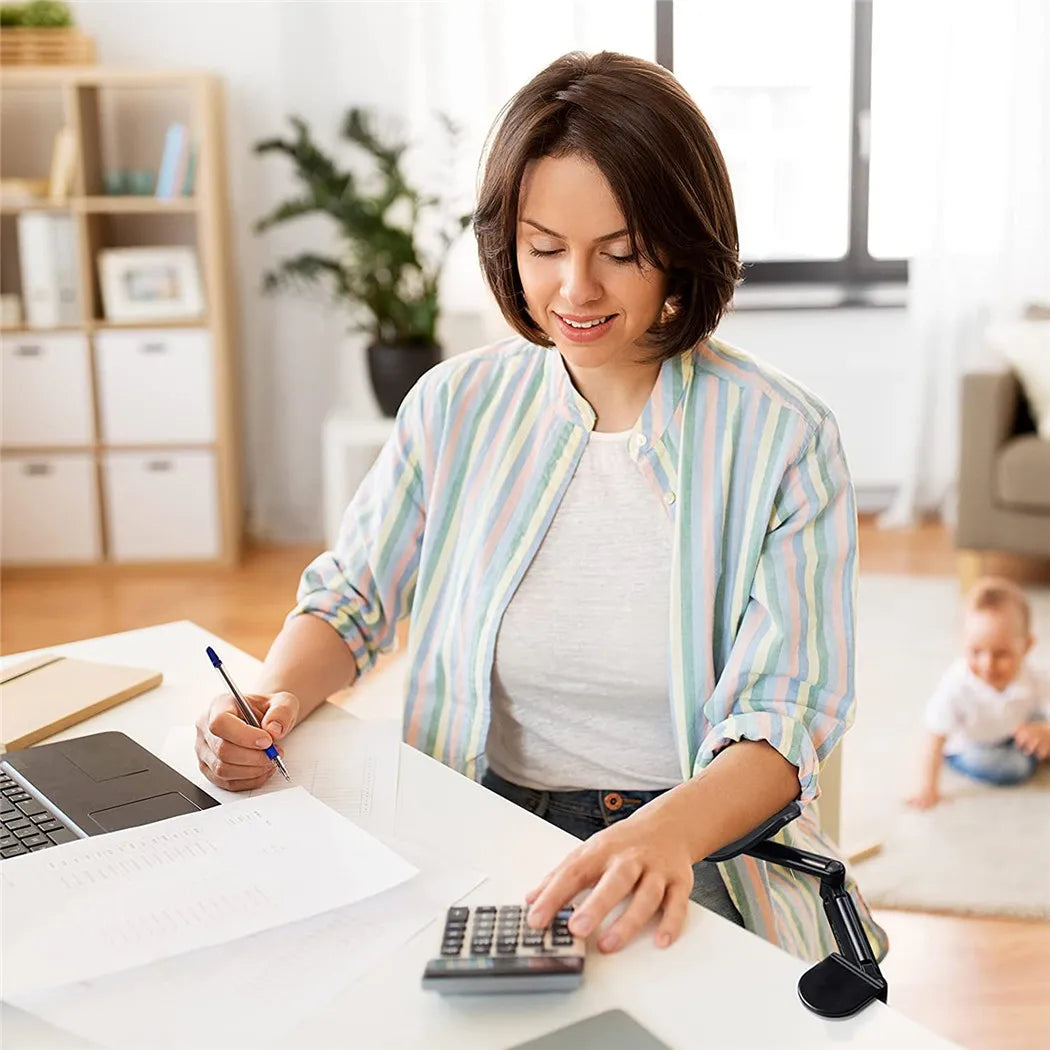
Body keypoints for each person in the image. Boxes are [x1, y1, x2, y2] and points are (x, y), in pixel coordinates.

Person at [195, 50, 887, 963]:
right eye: (545, 250)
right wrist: (272, 697)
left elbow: (785, 714)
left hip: (693, 845)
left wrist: (665, 836)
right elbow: (351, 599)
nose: (577, 291)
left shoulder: (783, 437)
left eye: (621, 252)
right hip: (476, 817)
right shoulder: (456, 406)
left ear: (681, 243)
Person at [908, 577, 1050, 809]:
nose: (987, 664)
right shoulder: (956, 687)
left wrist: (1045, 731)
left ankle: (1033, 744)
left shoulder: (1033, 677)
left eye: (1001, 654)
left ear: (1026, 646)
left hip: (1013, 728)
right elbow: (934, 738)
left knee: (1041, 725)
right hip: (972, 744)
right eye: (975, 652)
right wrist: (927, 788)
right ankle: (1030, 751)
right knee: (1016, 767)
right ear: (962, 643)